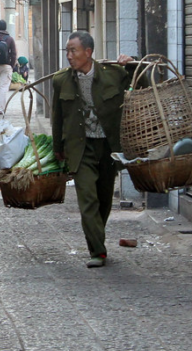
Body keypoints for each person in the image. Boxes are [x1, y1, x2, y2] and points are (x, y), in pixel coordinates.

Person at [51, 30, 134, 268]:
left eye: (73, 50)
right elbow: (57, 118)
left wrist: (131, 63)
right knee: (87, 198)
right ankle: (97, 251)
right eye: (67, 51)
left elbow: (141, 83)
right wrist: (58, 147)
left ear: (88, 52)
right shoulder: (61, 80)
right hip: (81, 147)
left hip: (108, 146)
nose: (69, 56)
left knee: (104, 198)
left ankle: (97, 237)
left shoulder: (113, 74)